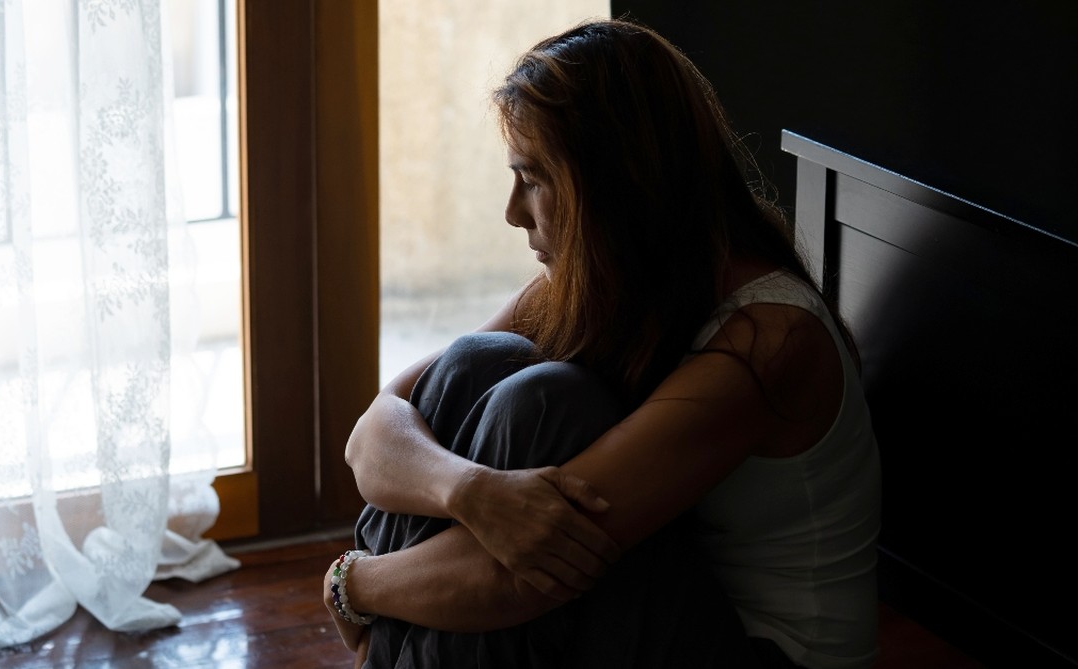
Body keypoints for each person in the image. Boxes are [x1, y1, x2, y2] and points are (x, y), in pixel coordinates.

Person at [324, 17, 881, 669]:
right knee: (477, 365)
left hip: (765, 653)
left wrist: (352, 584)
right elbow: (373, 431)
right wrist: (467, 488)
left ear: (618, 184)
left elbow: (514, 576)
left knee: (546, 405)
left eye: (534, 178)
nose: (512, 211)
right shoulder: (612, 283)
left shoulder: (770, 338)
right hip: (663, 619)